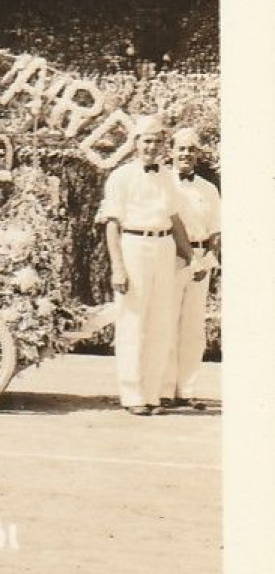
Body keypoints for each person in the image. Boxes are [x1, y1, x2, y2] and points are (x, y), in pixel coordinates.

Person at [96, 116, 194, 415]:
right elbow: (112, 224)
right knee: (133, 321)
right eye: (146, 141)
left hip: (164, 247)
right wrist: (118, 268)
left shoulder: (167, 176)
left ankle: (152, 394)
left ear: (164, 145)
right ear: (135, 144)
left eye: (157, 141)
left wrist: (191, 255)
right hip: (134, 246)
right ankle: (132, 394)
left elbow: (175, 219)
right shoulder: (121, 177)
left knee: (161, 322)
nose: (152, 147)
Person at [163, 127, 221, 411]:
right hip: (171, 258)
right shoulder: (163, 183)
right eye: (181, 149)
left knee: (193, 326)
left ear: (197, 155)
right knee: (168, 322)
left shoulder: (208, 189)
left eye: (191, 150)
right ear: (171, 152)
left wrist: (207, 259)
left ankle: (186, 390)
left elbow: (215, 231)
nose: (186, 154)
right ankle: (163, 390)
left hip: (200, 262)